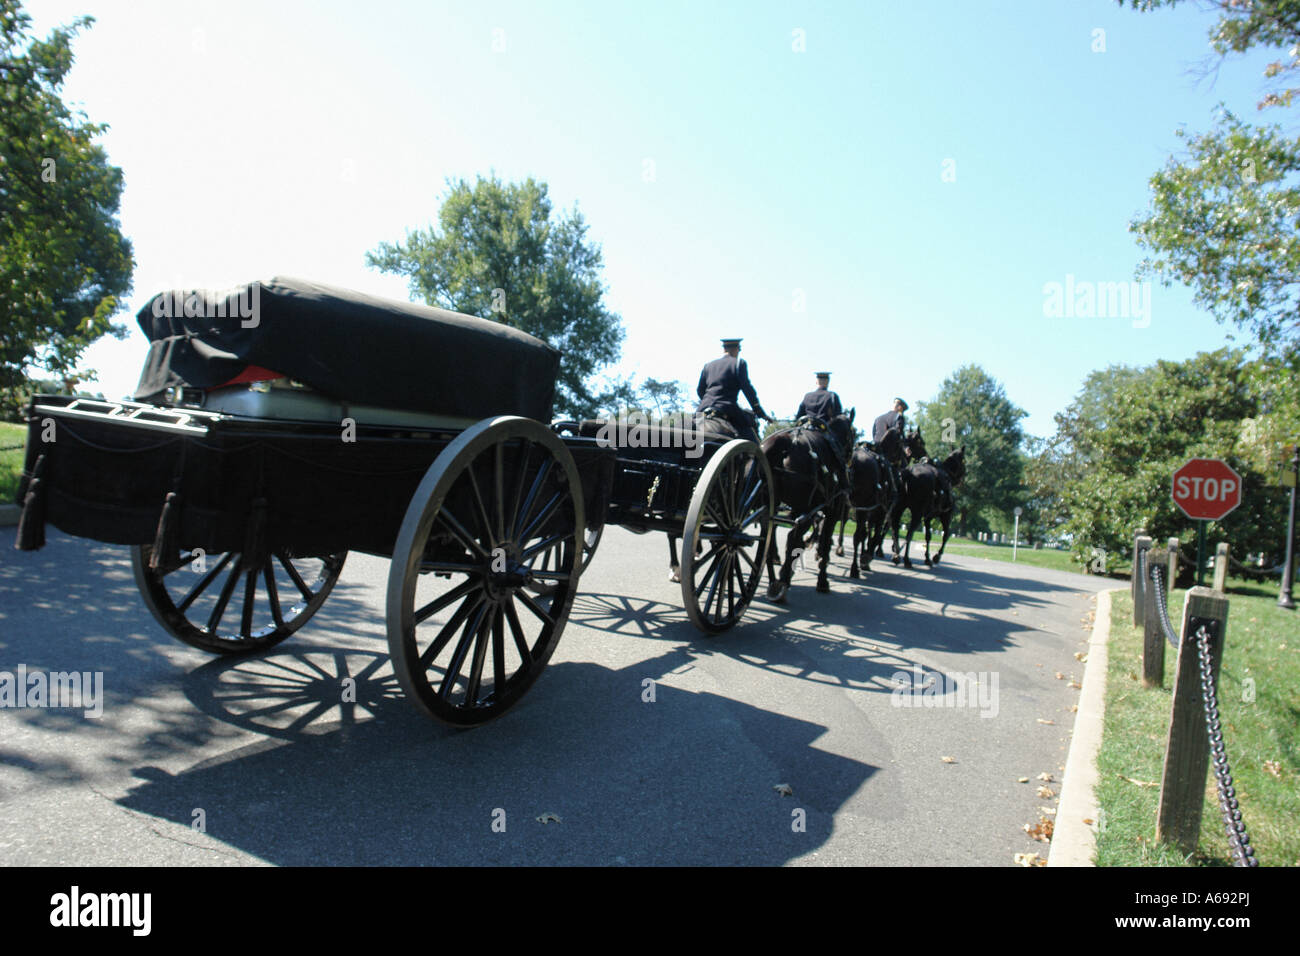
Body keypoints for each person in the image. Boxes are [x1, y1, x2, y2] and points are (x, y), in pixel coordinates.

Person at [695, 338, 773, 442]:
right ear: (736, 349)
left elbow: (700, 390)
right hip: (727, 408)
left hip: (702, 410)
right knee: (751, 439)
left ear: (724, 349)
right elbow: (747, 389)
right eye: (739, 349)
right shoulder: (738, 363)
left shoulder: (708, 366)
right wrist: (760, 413)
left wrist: (709, 402)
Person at [872, 397, 909, 498]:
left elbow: (874, 434)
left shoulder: (879, 418)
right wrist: (906, 448)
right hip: (889, 455)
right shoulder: (899, 417)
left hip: (875, 451)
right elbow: (898, 435)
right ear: (900, 408)